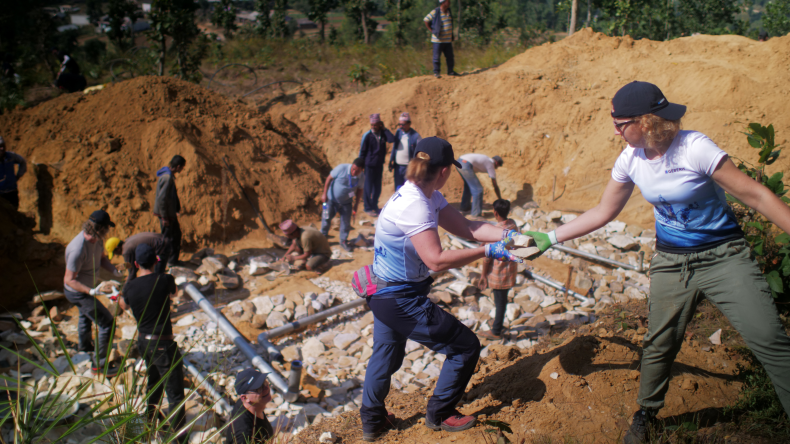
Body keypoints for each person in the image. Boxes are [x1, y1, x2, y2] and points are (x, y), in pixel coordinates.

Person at [522, 81, 790, 444]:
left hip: (724, 257)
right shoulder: (629, 159)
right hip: (671, 263)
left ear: (646, 122)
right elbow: (604, 211)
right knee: (660, 341)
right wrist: (550, 238)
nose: (614, 130)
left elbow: (755, 194)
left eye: (620, 124)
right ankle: (646, 412)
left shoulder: (694, 148)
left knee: (768, 337)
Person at [359, 137, 522, 441]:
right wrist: (488, 252)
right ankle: (440, 413)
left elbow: (467, 228)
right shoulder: (415, 205)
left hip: (383, 291)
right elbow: (435, 260)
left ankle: (372, 421)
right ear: (446, 170)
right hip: (399, 297)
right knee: (464, 347)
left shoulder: (424, 195)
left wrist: (509, 235)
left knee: (385, 356)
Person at [118, 244, 185, 438]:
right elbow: (175, 294)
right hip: (163, 343)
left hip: (144, 342)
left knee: (154, 383)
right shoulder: (164, 279)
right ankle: (178, 439)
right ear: (156, 261)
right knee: (175, 395)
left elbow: (122, 304)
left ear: (137, 264)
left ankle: (149, 424)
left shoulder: (130, 286)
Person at [63, 210, 121, 375]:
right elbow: (69, 279)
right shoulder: (78, 248)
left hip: (87, 288)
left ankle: (85, 348)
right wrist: (91, 291)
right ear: (100, 228)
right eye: (107, 228)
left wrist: (114, 271)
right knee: (107, 323)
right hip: (77, 292)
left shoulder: (97, 240)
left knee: (85, 316)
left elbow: (102, 259)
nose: (109, 231)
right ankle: (99, 366)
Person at [477, 199, 519, 340]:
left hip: (498, 273)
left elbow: (487, 257)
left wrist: (483, 275)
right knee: (503, 300)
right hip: (510, 270)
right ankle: (498, 324)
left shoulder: (495, 232)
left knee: (500, 302)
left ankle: (496, 331)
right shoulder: (513, 225)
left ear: (495, 213)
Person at [320, 158, 365, 251]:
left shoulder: (361, 177)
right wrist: (324, 193)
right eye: (353, 169)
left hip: (346, 203)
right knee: (326, 218)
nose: (354, 172)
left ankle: (343, 241)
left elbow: (360, 190)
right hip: (331, 200)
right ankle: (322, 237)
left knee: (345, 222)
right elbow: (329, 178)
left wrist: (356, 205)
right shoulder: (341, 168)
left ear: (362, 170)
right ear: (352, 165)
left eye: (357, 171)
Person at [226, 368, 274, 444]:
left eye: (265, 382)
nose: (266, 387)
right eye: (258, 389)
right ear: (244, 398)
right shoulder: (244, 435)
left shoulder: (254, 405)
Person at [359, 114, 394, 216]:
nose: (373, 126)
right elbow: (362, 151)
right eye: (372, 124)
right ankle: (367, 207)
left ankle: (374, 206)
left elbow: (392, 139)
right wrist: (361, 165)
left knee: (377, 187)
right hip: (369, 165)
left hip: (379, 165)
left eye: (375, 124)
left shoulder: (383, 134)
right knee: (368, 187)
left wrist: (384, 129)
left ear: (379, 124)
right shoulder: (368, 136)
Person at [154, 155, 186, 266]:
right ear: (177, 167)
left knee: (175, 235)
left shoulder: (167, 176)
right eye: (182, 167)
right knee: (168, 239)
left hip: (169, 214)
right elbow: (162, 199)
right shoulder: (167, 178)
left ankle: (172, 260)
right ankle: (166, 262)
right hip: (167, 215)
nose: (181, 170)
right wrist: (164, 217)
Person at [105, 232, 172, 283]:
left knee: (157, 277)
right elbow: (132, 264)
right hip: (164, 240)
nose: (117, 255)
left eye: (115, 253)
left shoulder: (126, 251)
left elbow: (132, 273)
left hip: (163, 247)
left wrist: (125, 289)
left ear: (117, 249)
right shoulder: (127, 242)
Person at [423, 0, 458, 79]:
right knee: (436, 57)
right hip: (438, 40)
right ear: (443, 2)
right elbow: (426, 19)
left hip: (447, 40)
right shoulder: (436, 11)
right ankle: (436, 72)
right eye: (448, 1)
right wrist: (432, 30)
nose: (449, 3)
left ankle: (450, 71)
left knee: (450, 57)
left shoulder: (449, 11)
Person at [389, 112, 422, 190]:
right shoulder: (398, 132)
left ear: (409, 123)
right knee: (398, 188)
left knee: (408, 188)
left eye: (403, 124)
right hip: (398, 166)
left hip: (409, 167)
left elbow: (419, 151)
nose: (401, 126)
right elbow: (394, 147)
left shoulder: (415, 136)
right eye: (400, 124)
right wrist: (391, 160)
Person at [0, 136, 27, 210]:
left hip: (12, 191)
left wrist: (19, 175)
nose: (2, 149)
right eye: (0, 146)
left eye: (3, 146)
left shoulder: (10, 156)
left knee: (14, 212)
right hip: (0, 194)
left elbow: (22, 162)